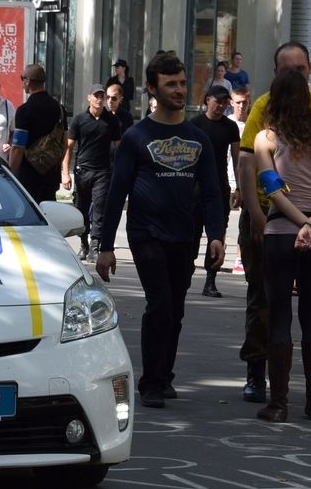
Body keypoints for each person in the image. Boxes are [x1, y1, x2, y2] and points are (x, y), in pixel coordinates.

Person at [96, 52, 226, 409]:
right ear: (152, 89)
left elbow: (212, 192)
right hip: (146, 233)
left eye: (182, 83)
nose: (179, 90)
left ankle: (164, 374)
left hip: (184, 235)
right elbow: (116, 193)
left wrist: (216, 235)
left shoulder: (198, 139)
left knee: (176, 307)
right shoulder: (136, 136)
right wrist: (105, 246)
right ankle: (150, 383)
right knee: (161, 305)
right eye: (171, 84)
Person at [234, 42, 311, 408]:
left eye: (298, 68)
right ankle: (281, 384)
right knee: (284, 306)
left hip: (283, 227)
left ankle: (283, 401)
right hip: (308, 228)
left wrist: (306, 220)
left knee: (287, 312)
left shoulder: (271, 136)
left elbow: (274, 188)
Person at [189, 84, 239, 296]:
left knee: (216, 234)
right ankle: (185, 271)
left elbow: (237, 159)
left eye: (224, 103)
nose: (220, 106)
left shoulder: (230, 127)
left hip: (219, 187)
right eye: (217, 101)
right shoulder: (194, 125)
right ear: (207, 100)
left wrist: (239, 188)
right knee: (191, 233)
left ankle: (210, 280)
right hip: (194, 188)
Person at [61, 83, 121, 261]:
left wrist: (122, 170)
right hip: (82, 172)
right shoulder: (79, 120)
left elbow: (119, 147)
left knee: (100, 208)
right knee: (81, 209)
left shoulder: (111, 120)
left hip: (103, 172)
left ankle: (95, 245)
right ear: (89, 98)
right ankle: (84, 244)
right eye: (96, 96)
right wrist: (65, 173)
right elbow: (68, 147)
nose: (100, 99)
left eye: (102, 96)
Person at [9, 63, 65, 204]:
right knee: (48, 212)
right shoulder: (59, 108)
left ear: (28, 81)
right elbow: (64, 142)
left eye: (22, 78)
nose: (22, 82)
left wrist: (11, 174)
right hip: (51, 174)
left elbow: (18, 148)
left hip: (29, 175)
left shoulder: (24, 110)